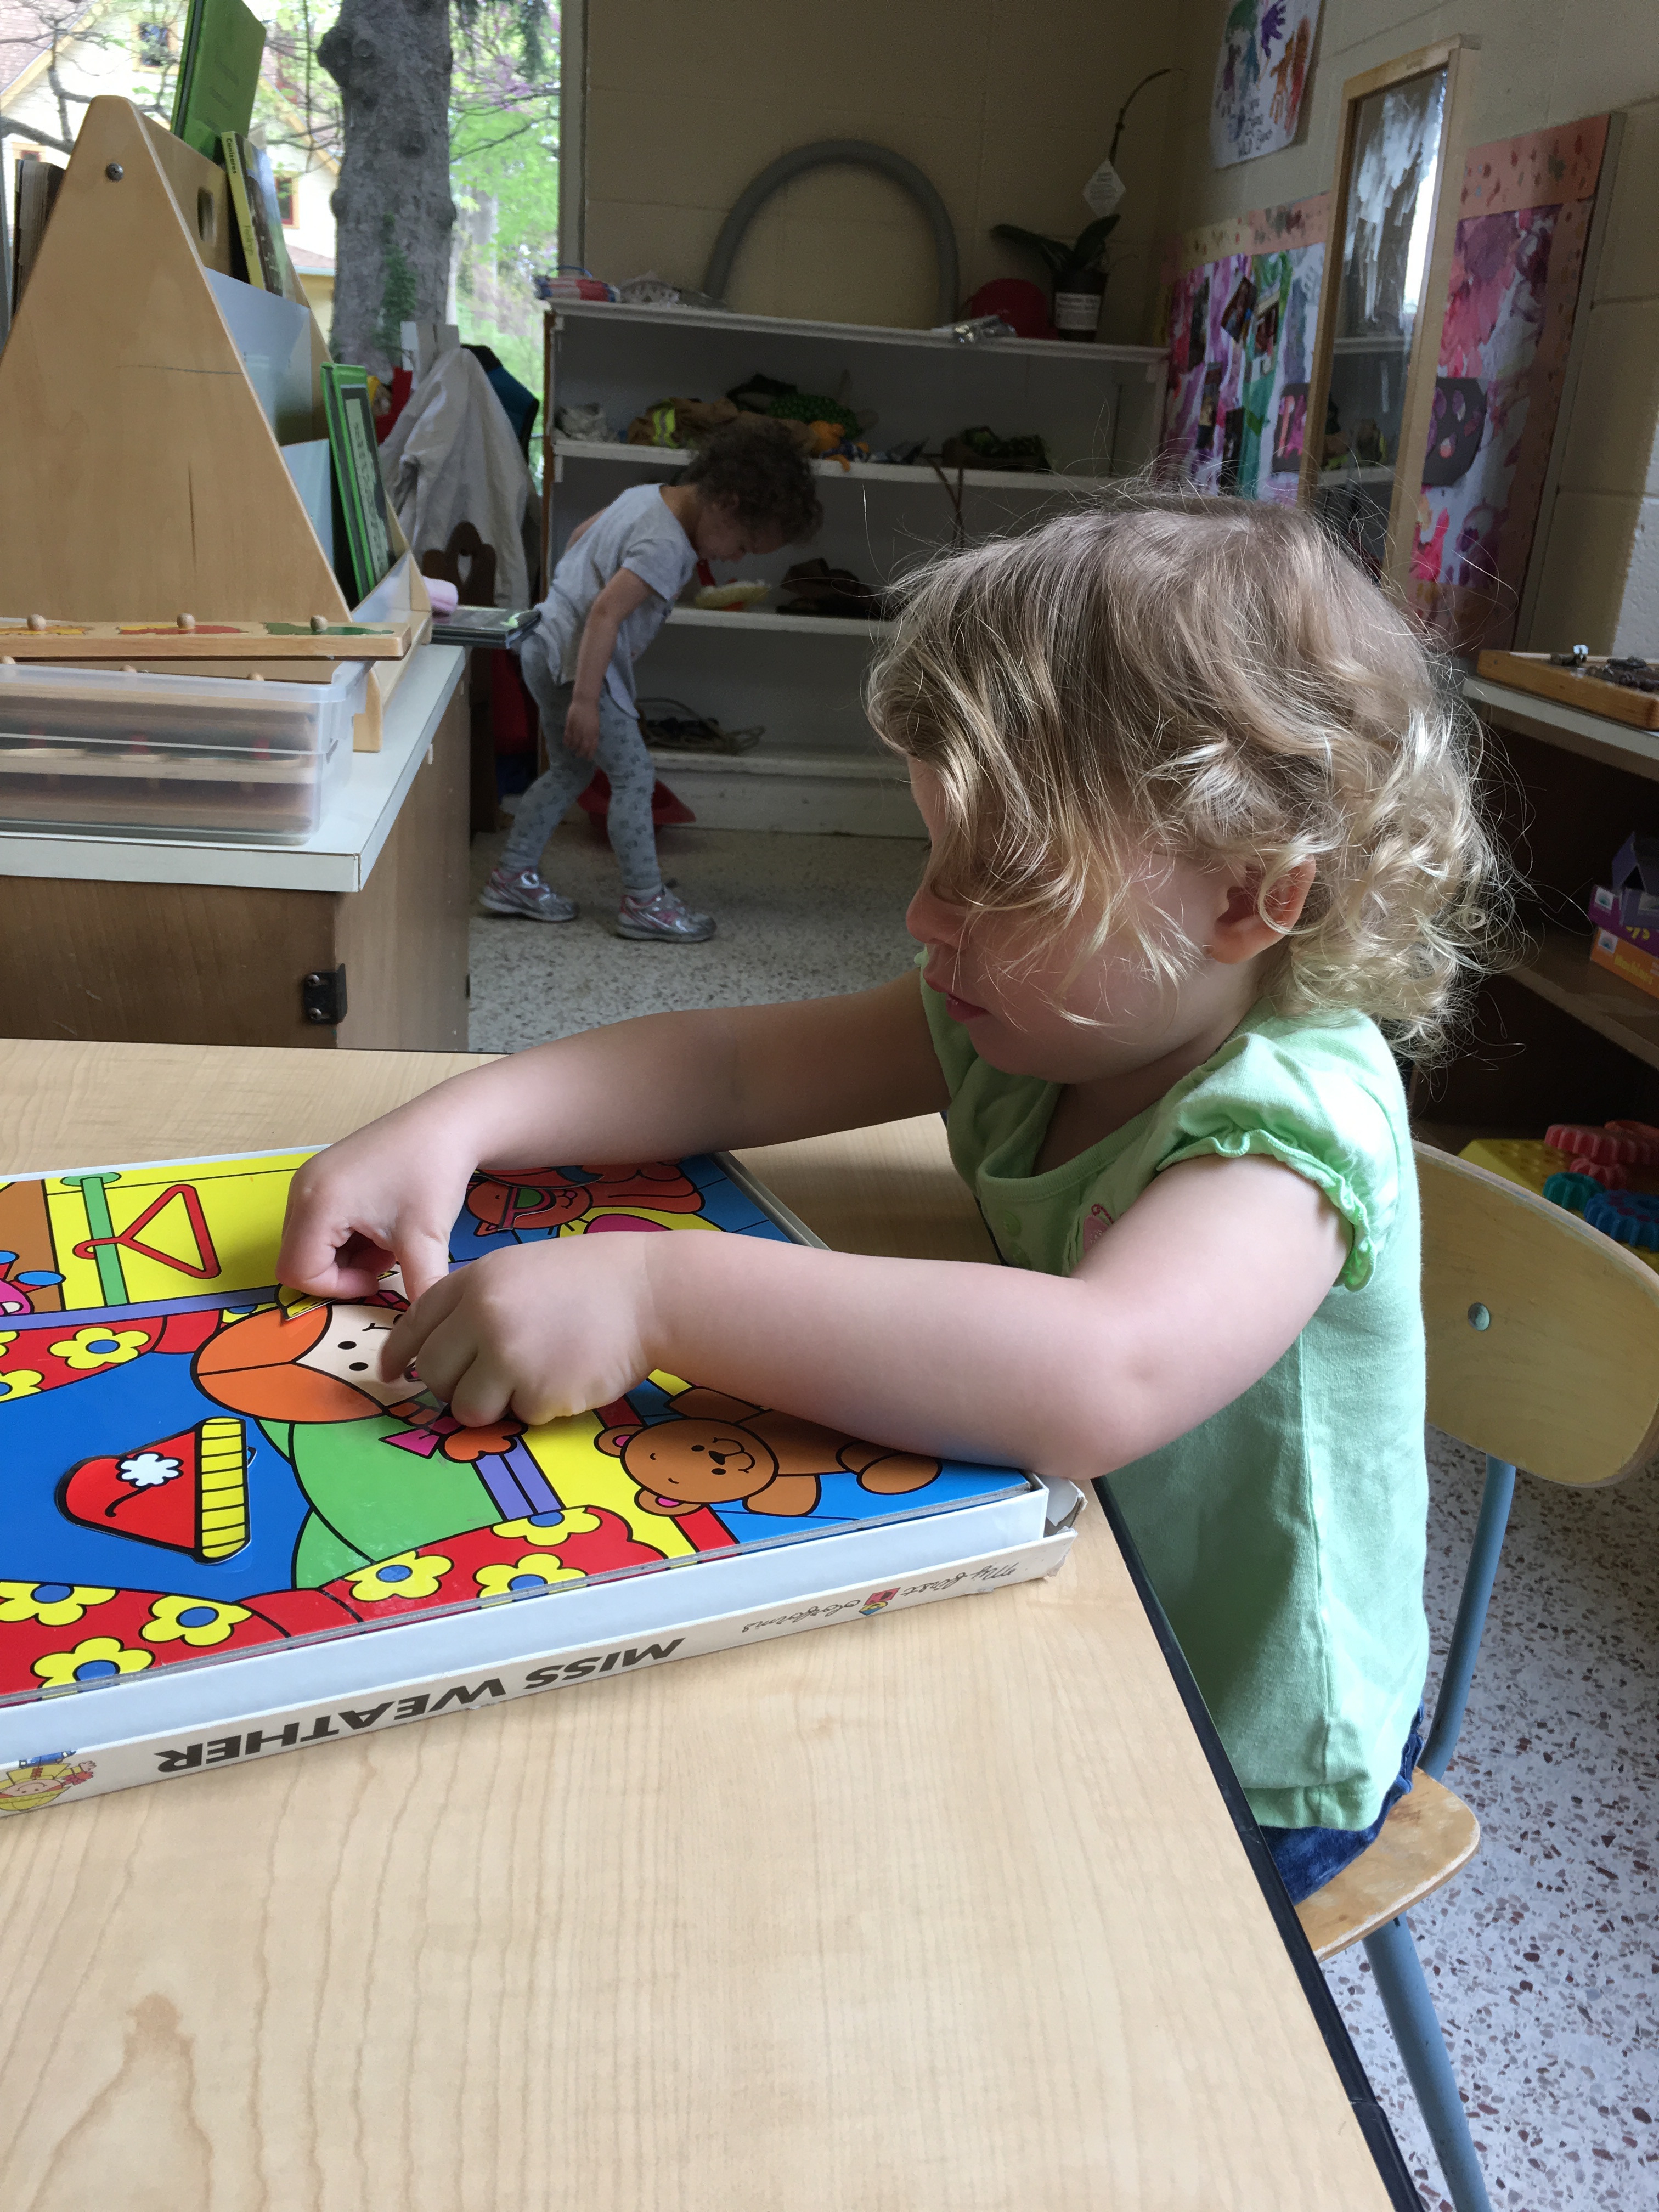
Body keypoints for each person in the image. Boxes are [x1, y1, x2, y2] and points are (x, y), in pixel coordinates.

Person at [280, 493, 1505, 1903]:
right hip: (1063, 1582)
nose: (925, 918)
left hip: (1237, 1747)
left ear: (1248, 901)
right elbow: (731, 1066)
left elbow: (1100, 1371)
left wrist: (651, 1290)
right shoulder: (1044, 1016)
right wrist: (457, 1121)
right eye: (935, 853)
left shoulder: (1294, 1120)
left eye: (1004, 875)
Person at [483, 418, 823, 942]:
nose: (734, 558)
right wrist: (586, 701)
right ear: (728, 503)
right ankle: (644, 902)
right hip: (577, 668)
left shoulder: (646, 496)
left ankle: (512, 877)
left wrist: (566, 605)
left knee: (571, 771)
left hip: (544, 642)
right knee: (634, 778)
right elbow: (605, 613)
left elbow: (581, 536)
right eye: (744, 545)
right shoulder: (667, 546)